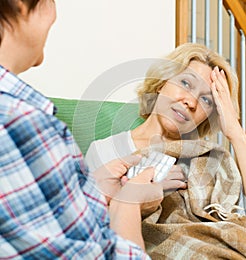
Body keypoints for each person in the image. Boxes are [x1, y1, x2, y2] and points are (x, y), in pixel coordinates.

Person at [0, 0, 163, 258]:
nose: (192, 100)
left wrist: (95, 190)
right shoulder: (22, 122)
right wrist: (127, 201)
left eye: (207, 98)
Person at [85, 42, 246, 235]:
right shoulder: (105, 151)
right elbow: (86, 227)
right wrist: (135, 198)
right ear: (161, 83)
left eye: (206, 100)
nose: (191, 102)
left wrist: (235, 131)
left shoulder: (210, 161)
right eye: (185, 83)